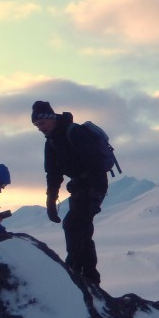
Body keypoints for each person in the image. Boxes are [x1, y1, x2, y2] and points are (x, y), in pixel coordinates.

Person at [32, 100, 108, 284]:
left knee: (73, 224)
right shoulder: (51, 143)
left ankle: (74, 271)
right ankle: (89, 277)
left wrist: (83, 180)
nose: (39, 129)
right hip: (79, 187)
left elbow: (96, 163)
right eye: (36, 125)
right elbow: (53, 174)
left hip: (94, 184)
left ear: (50, 118)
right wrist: (51, 202)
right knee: (81, 228)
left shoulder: (74, 132)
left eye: (41, 123)